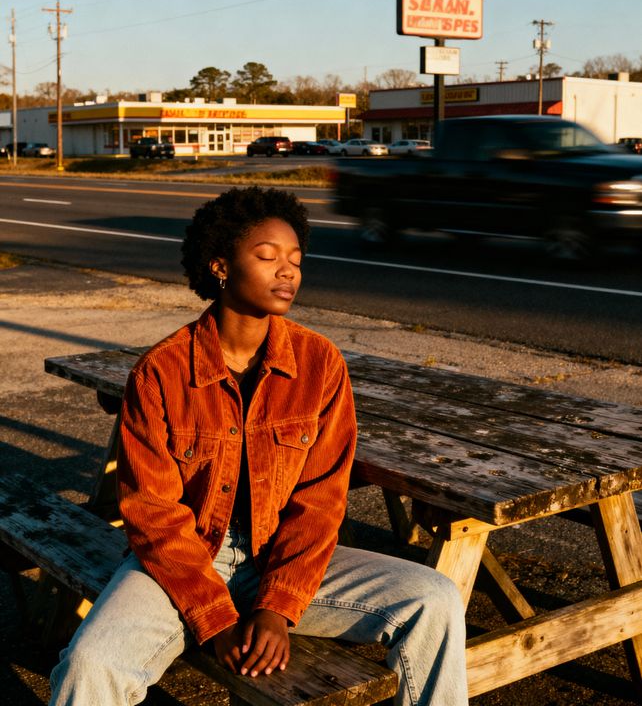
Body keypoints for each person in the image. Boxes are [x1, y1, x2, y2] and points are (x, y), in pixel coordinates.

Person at [49, 186, 467, 706]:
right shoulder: (161, 372)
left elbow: (321, 501)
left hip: (282, 559)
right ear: (220, 266)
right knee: (91, 664)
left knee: (435, 598)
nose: (287, 271)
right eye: (268, 257)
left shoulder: (320, 364)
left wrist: (278, 607)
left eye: (296, 259)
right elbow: (152, 513)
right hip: (185, 563)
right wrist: (216, 618)